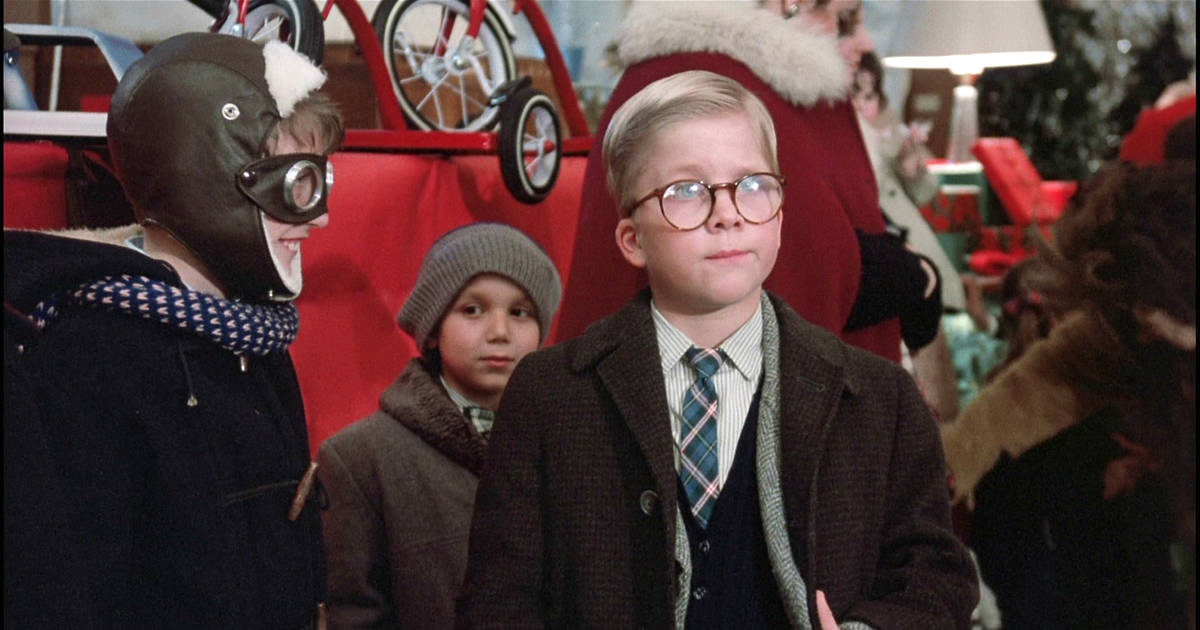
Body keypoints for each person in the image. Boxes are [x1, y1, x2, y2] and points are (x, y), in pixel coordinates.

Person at [457, 70, 977, 630]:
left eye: (751, 185)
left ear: (779, 216)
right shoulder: (550, 394)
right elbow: (498, 602)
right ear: (632, 239)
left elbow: (935, 574)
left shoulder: (881, 398)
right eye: (686, 191)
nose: (727, 214)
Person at [3, 32, 344, 628]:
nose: (319, 218)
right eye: (297, 185)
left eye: (319, 182)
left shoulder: (255, 338)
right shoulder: (91, 357)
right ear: (206, 177)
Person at [553, 0, 941, 363]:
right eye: (844, 20)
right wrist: (906, 273)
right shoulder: (725, 83)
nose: (866, 43)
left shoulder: (711, 73)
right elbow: (803, 268)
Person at [941, 160, 1195, 628]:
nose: (1143, 328)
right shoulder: (1120, 329)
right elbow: (1028, 390)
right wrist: (945, 467)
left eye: (1150, 313)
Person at [316, 222, 562, 629]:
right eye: (472, 310)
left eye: (520, 313)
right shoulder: (360, 460)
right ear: (433, 331)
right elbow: (352, 613)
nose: (500, 332)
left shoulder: (572, 447)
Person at [851, 50, 964, 422]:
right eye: (855, 94)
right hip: (878, 261)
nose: (862, 104)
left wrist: (911, 167)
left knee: (929, 350)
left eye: (869, 96)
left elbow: (926, 192)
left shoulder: (888, 139)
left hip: (906, 250)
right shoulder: (843, 145)